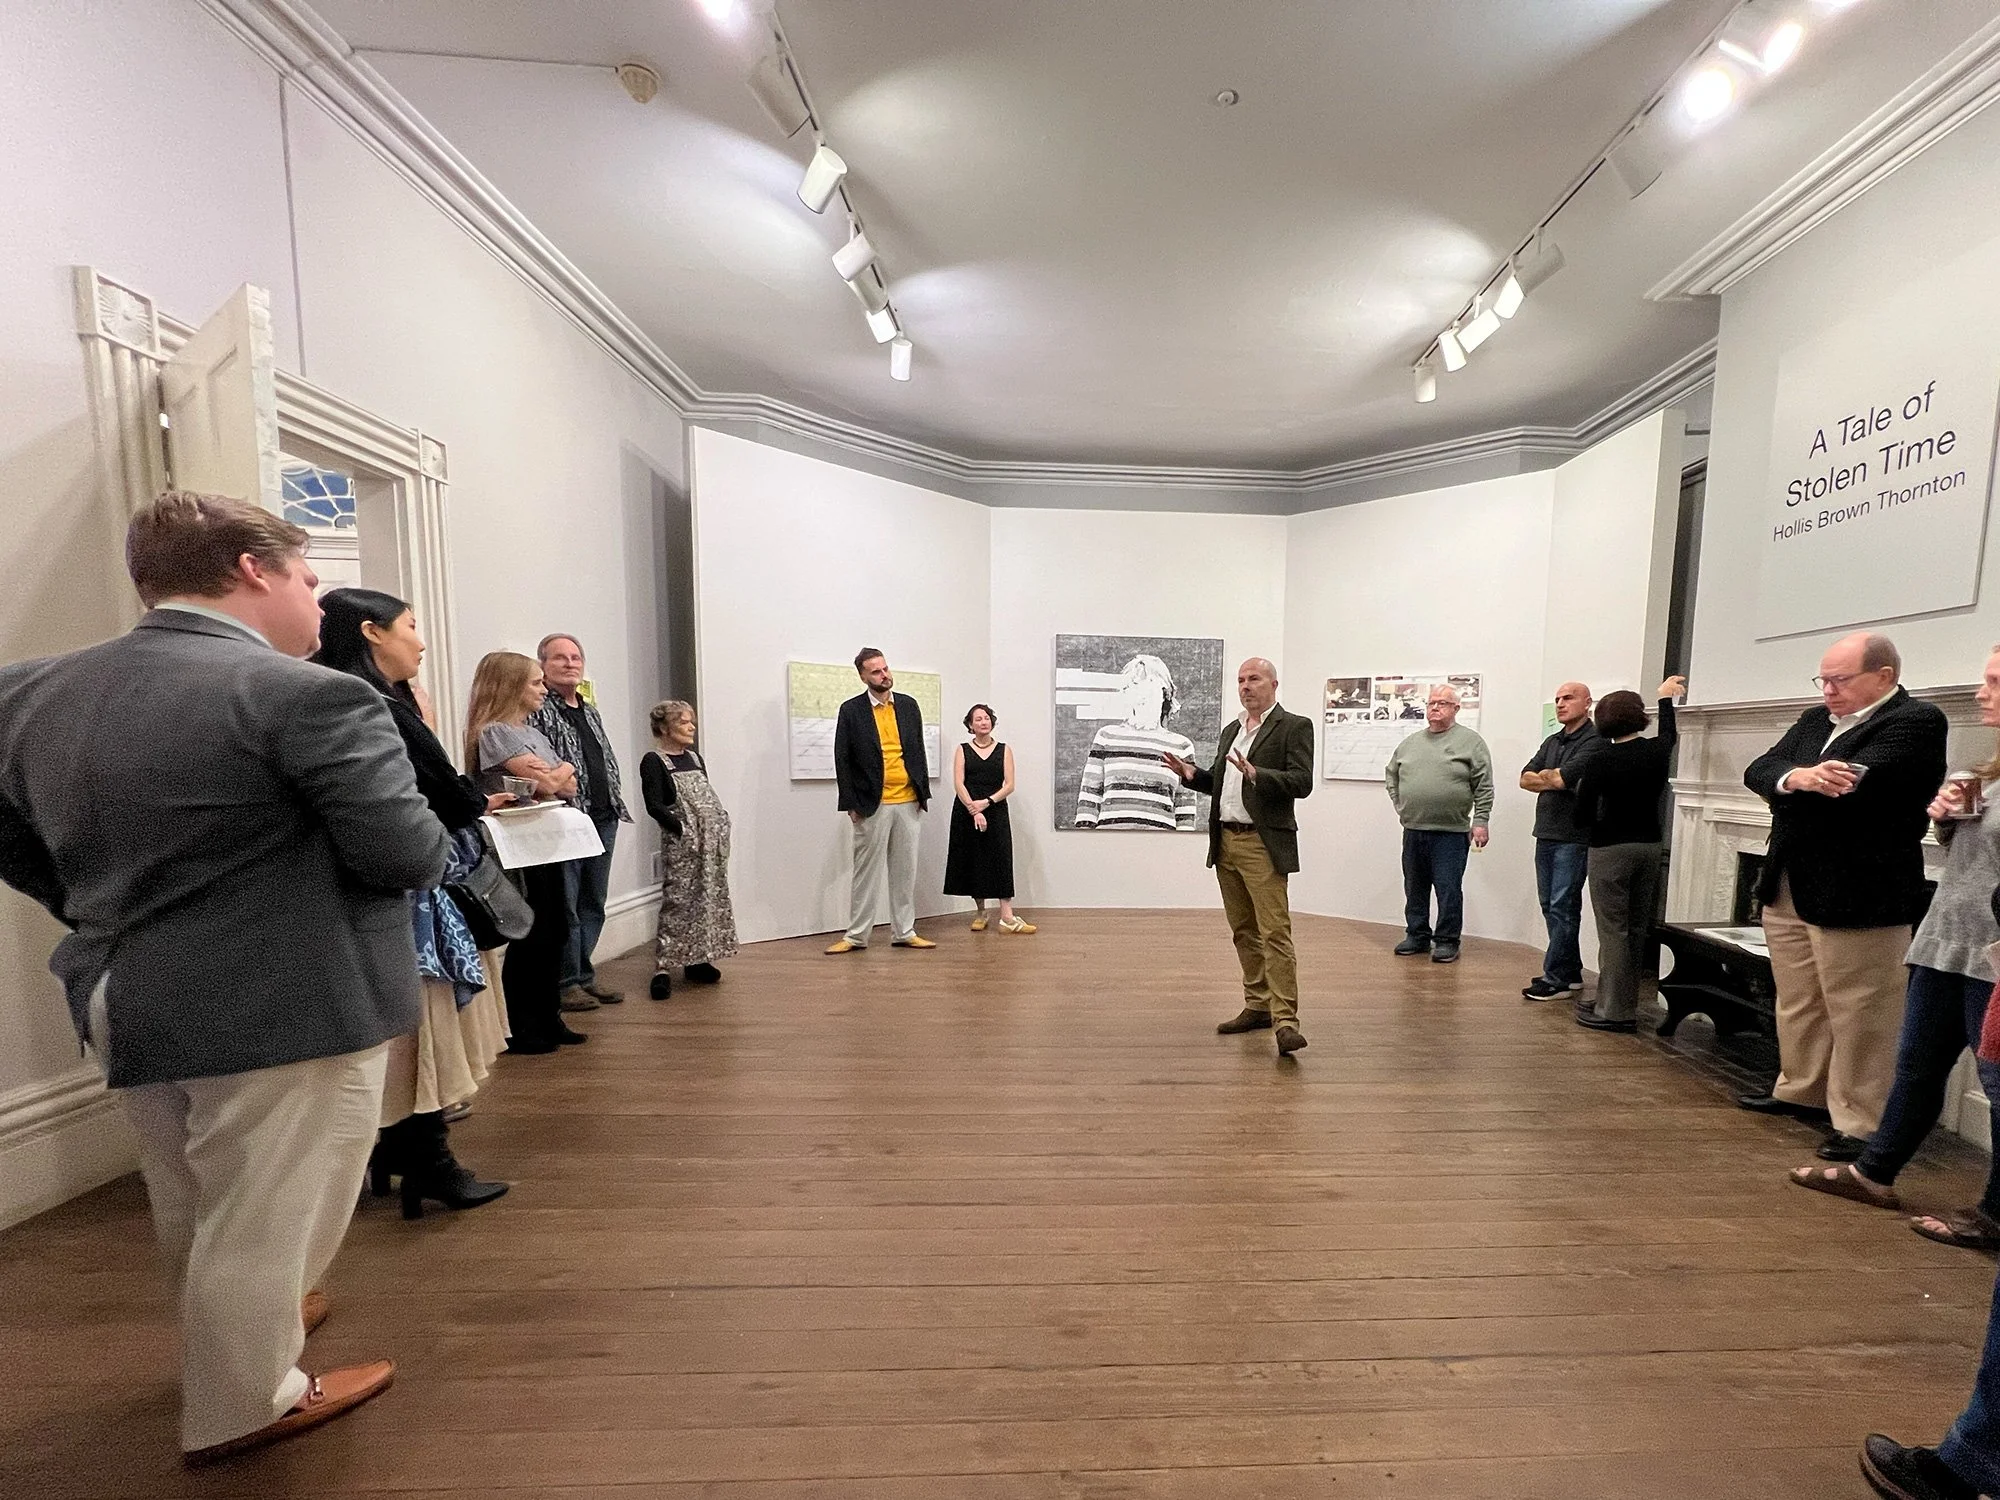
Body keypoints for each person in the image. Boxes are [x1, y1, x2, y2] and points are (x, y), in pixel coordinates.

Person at [0, 491, 448, 1462]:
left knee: (194, 1196)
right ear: (253, 570)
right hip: (288, 1002)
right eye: (306, 578)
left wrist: (93, 906)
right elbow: (406, 855)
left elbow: (12, 837)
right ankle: (247, 1399)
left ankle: (240, 1333)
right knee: (266, 1213)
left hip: (122, 988)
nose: (313, 601)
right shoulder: (314, 696)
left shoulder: (27, 691)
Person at [1790, 643, 2000, 1250]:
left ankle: (1997, 1211)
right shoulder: (1989, 766)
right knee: (1917, 1065)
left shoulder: (1916, 725)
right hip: (1947, 940)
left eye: (1992, 681)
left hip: (1992, 952)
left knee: (1997, 1082)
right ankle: (1873, 1173)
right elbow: (1970, 853)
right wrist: (1946, 818)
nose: (1980, 692)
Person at [311, 588, 509, 1220]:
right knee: (418, 1025)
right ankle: (428, 1157)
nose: (421, 641)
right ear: (372, 632)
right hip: (404, 897)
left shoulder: (365, 699)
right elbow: (447, 797)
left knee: (408, 1028)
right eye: (412, 627)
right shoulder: (364, 703)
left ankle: (400, 1148)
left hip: (392, 892)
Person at [1739, 631, 1948, 1162]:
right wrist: (1798, 778)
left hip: (1861, 889)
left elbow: (1860, 791)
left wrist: (1796, 785)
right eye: (1824, 679)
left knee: (1863, 1010)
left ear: (1883, 676)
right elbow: (1759, 769)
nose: (1828, 690)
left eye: (1840, 680)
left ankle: (1861, 1121)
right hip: (1790, 881)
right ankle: (1802, 1088)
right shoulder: (1816, 721)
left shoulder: (1914, 721)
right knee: (1800, 996)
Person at [1163, 658, 1316, 1057]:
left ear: (1274, 684)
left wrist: (1257, 774)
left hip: (1262, 844)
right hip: (1226, 841)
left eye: (1254, 679)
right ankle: (1258, 1005)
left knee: (1275, 933)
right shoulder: (1232, 729)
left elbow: (1301, 783)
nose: (1246, 686)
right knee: (1243, 931)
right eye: (1241, 680)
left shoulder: (1294, 727)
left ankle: (1286, 1022)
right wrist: (1192, 775)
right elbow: (1221, 783)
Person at [465, 651, 588, 1053]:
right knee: (532, 931)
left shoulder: (530, 732)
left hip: (545, 838)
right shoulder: (496, 732)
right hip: (517, 844)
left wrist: (556, 772)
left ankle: (549, 1016)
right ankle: (523, 1025)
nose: (542, 688)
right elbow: (549, 785)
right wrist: (557, 772)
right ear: (511, 686)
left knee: (555, 927)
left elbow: (564, 784)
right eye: (535, 682)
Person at [1570, 679, 1686, 1032]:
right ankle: (1616, 1001)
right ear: (1638, 718)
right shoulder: (1655, 752)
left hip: (1610, 849)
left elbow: (1582, 813)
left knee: (1613, 932)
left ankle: (1614, 1012)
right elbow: (1670, 735)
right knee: (1635, 930)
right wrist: (1664, 699)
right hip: (1649, 846)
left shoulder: (1600, 758)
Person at [529, 633, 630, 1012]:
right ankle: (565, 981)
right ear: (542, 665)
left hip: (604, 816)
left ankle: (584, 975)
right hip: (569, 819)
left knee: (594, 901)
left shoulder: (589, 709)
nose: (570, 663)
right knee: (567, 905)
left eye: (575, 657)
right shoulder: (538, 710)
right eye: (559, 658)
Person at [826, 648, 935, 953]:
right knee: (865, 873)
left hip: (908, 800)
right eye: (876, 671)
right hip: (871, 803)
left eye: (885, 668)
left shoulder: (909, 706)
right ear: (862, 676)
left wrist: (922, 792)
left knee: (905, 872)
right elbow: (842, 758)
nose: (884, 675)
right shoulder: (851, 710)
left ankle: (904, 931)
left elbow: (917, 751)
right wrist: (850, 803)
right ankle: (856, 936)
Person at [1384, 685, 1493, 964]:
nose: (1435, 708)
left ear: (1456, 709)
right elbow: (1391, 775)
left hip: (1452, 833)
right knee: (1415, 886)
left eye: (1443, 703)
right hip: (1414, 829)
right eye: (1431, 702)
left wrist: (1480, 821)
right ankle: (1417, 935)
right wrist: (1401, 804)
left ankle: (1446, 940)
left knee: (1448, 888)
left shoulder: (1471, 742)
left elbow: (1483, 786)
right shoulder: (1410, 743)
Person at [640, 699, 739, 1000]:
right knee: (679, 900)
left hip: (711, 840)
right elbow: (654, 805)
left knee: (708, 895)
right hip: (683, 841)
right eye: (684, 722)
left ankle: (698, 959)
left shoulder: (695, 759)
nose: (691, 726)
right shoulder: (654, 761)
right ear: (664, 727)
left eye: (691, 720)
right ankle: (663, 966)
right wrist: (682, 829)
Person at [1518, 681, 1600, 1001]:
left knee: (1562, 906)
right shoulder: (1552, 740)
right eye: (1557, 699)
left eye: (1568, 698)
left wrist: (1552, 778)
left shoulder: (1594, 740)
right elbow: (1526, 777)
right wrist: (1553, 778)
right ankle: (1570, 970)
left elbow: (1564, 777)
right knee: (1550, 905)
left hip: (1574, 836)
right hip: (1547, 832)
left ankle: (1556, 979)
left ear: (1587, 703)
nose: (1561, 704)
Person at [1075, 653, 1201, 831]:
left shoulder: (1181, 746)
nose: (1140, 693)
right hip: (1107, 845)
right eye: (1133, 685)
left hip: (1161, 848)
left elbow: (1186, 813)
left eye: (1148, 684)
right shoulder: (1107, 737)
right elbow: (1089, 799)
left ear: (1165, 692)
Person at [945, 704, 1034, 934]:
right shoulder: (962, 749)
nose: (983, 722)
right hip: (967, 810)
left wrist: (987, 803)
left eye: (986, 718)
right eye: (978, 719)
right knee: (975, 859)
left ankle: (1007, 916)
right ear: (970, 725)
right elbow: (959, 783)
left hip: (995, 809)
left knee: (1002, 859)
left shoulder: (1004, 749)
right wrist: (974, 810)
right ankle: (981, 912)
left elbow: (1010, 785)